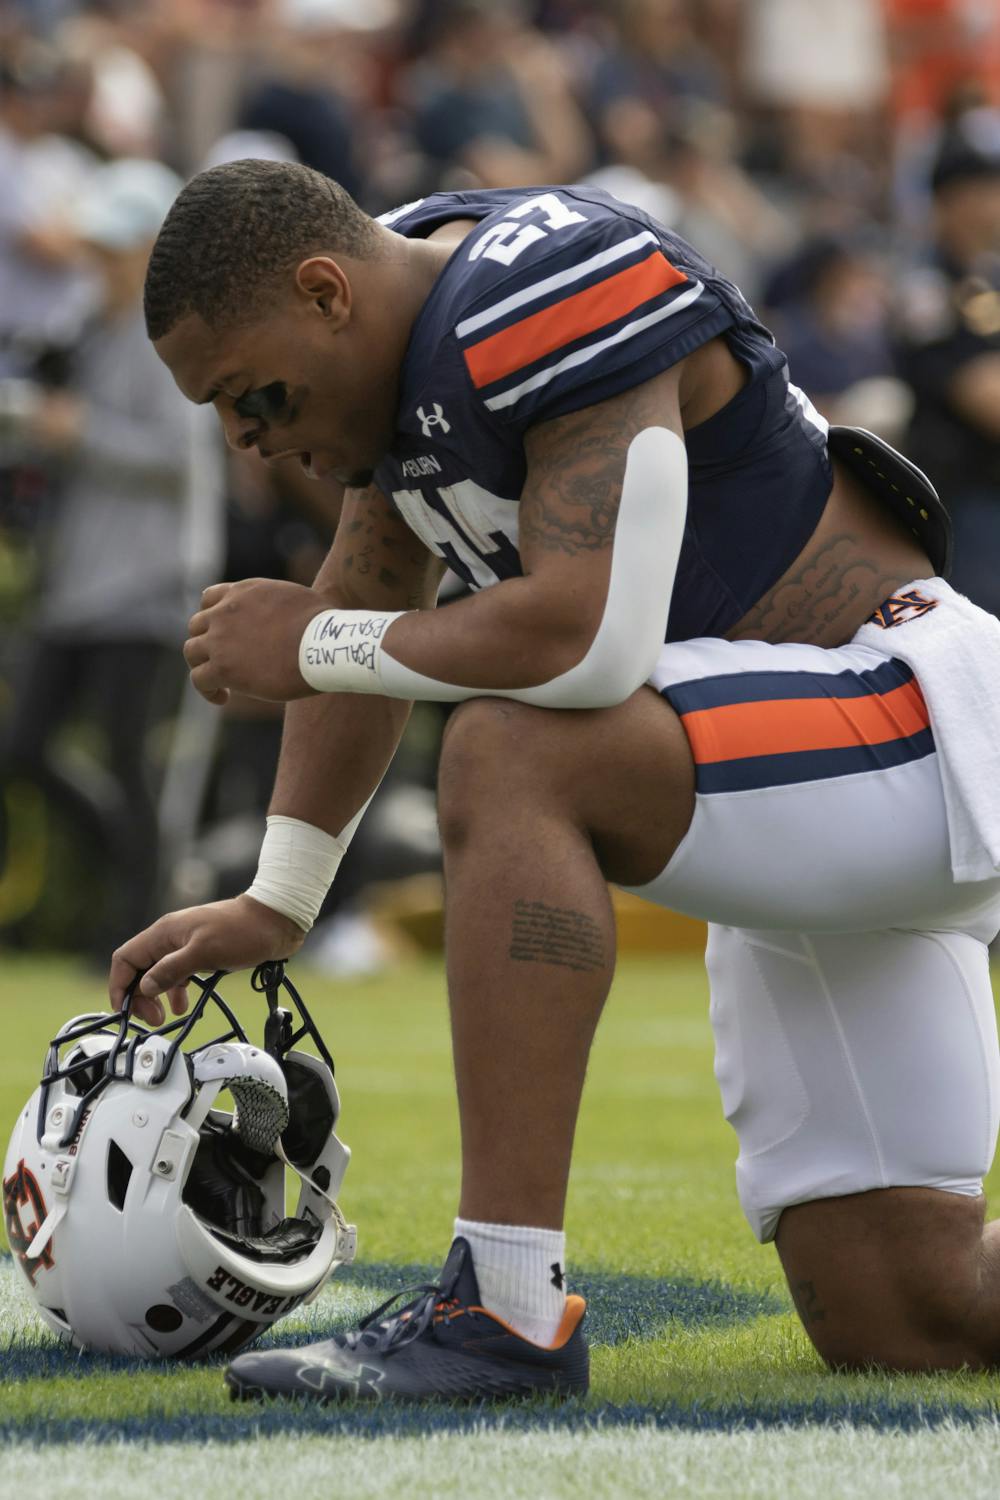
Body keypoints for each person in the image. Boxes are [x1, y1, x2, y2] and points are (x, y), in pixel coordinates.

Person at [110, 159, 1000, 1402]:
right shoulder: (398, 358)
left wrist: (303, 641)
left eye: (249, 392)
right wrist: (281, 895)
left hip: (908, 711)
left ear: (325, 292)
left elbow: (589, 643)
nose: (247, 436)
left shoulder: (538, 283)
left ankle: (505, 1308)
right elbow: (368, 595)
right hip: (791, 798)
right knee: (910, 1314)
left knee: (516, 742)